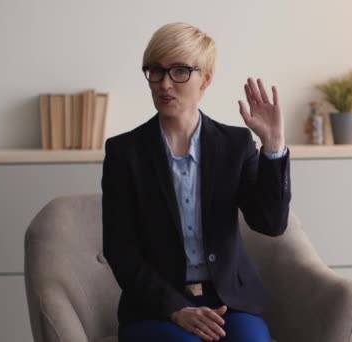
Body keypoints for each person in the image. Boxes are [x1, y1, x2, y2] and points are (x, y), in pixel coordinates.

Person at [102, 22, 291, 342]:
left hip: (229, 302)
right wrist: (175, 308)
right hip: (157, 306)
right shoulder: (124, 153)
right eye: (156, 71)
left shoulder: (235, 145)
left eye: (179, 71)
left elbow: (271, 223)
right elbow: (121, 252)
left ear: (206, 78)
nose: (164, 84)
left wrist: (272, 146)